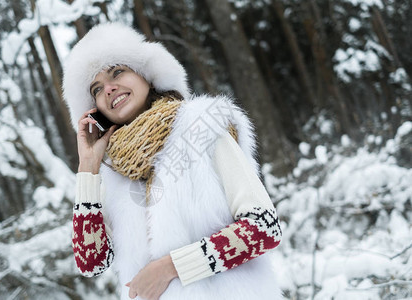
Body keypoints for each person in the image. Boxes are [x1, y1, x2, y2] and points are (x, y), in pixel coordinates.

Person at [63, 22, 283, 300]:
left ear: (147, 73)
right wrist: (88, 169)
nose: (108, 89)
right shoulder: (112, 173)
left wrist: (170, 268)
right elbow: (92, 263)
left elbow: (264, 227)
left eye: (117, 71)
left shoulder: (202, 126)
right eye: (96, 88)